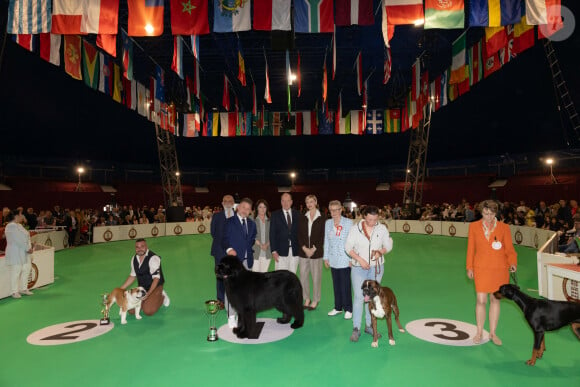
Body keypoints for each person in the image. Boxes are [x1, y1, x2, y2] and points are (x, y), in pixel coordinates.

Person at [466, 200, 517, 346]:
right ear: (481, 212)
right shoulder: (473, 227)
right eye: (485, 213)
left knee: (495, 300)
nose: (488, 217)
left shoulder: (504, 228)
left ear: (496, 212)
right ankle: (480, 332)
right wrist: (469, 267)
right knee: (481, 300)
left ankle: (493, 333)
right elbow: (471, 249)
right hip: (481, 268)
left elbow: (509, 249)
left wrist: (512, 263)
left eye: (492, 213)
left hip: (499, 269)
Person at [345, 205, 393, 342]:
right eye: (370, 219)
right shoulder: (355, 229)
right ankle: (356, 328)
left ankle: (369, 326)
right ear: (364, 216)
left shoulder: (382, 228)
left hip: (376, 267)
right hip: (358, 268)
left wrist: (380, 252)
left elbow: (388, 245)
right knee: (360, 297)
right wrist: (359, 260)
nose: (373, 222)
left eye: (375, 219)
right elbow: (348, 247)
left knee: (372, 298)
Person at [222, 197, 257, 327]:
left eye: (248, 209)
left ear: (250, 211)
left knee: (246, 290)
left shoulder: (252, 224)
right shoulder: (229, 222)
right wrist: (229, 249)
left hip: (248, 262)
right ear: (238, 207)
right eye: (243, 207)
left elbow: (252, 240)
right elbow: (223, 239)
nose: (245, 210)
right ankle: (231, 316)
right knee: (231, 290)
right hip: (233, 263)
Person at [120, 238, 170, 316]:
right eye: (137, 247)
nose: (139, 249)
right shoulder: (134, 259)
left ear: (146, 246)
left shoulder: (153, 258)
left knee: (148, 311)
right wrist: (121, 289)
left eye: (142, 246)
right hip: (142, 288)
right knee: (131, 311)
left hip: (155, 286)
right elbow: (132, 276)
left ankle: (162, 296)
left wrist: (149, 294)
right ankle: (146, 302)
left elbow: (156, 279)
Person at [323, 200, 353, 319]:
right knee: (336, 284)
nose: (334, 212)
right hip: (333, 258)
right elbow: (326, 240)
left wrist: (351, 258)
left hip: (345, 258)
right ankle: (338, 307)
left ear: (341, 210)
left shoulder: (349, 222)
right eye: (331, 210)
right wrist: (326, 257)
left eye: (336, 209)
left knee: (345, 285)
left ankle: (348, 309)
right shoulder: (328, 223)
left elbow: (352, 242)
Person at [297, 194, 325, 310]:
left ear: (316, 202)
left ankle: (315, 300)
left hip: (316, 253)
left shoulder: (322, 217)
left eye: (311, 201)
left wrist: (313, 249)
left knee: (316, 277)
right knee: (303, 277)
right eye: (307, 202)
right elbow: (299, 234)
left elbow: (322, 236)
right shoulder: (302, 216)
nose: (309, 204)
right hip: (303, 252)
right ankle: (306, 298)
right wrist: (304, 248)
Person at [210, 194, 235, 308]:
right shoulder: (216, 216)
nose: (228, 203)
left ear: (233, 203)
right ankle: (220, 300)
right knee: (220, 276)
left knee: (234, 275)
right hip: (219, 251)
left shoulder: (238, 216)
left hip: (234, 252)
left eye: (230, 201)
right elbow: (213, 233)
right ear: (222, 203)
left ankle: (234, 297)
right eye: (226, 201)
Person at [270, 193, 301, 273]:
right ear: (281, 202)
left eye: (288, 201)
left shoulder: (298, 214)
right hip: (280, 251)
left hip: (295, 251)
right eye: (283, 201)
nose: (286, 203)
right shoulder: (275, 215)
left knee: (292, 275)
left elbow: (301, 232)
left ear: (291, 202)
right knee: (280, 277)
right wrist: (273, 251)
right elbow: (272, 234)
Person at [5, 214, 34, 298]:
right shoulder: (10, 226)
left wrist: (29, 248)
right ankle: (14, 291)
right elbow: (18, 240)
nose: (21, 216)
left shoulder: (19, 225)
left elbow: (26, 237)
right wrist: (27, 248)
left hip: (25, 251)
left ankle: (24, 288)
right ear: (15, 216)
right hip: (16, 252)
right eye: (20, 215)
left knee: (27, 269)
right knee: (16, 271)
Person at [252, 199, 272, 273]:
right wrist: (260, 245)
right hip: (255, 252)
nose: (262, 209)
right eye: (260, 207)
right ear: (257, 208)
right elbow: (250, 235)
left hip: (267, 252)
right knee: (255, 275)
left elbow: (273, 235)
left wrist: (267, 244)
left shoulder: (270, 220)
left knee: (264, 275)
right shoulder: (252, 219)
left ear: (267, 208)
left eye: (264, 207)